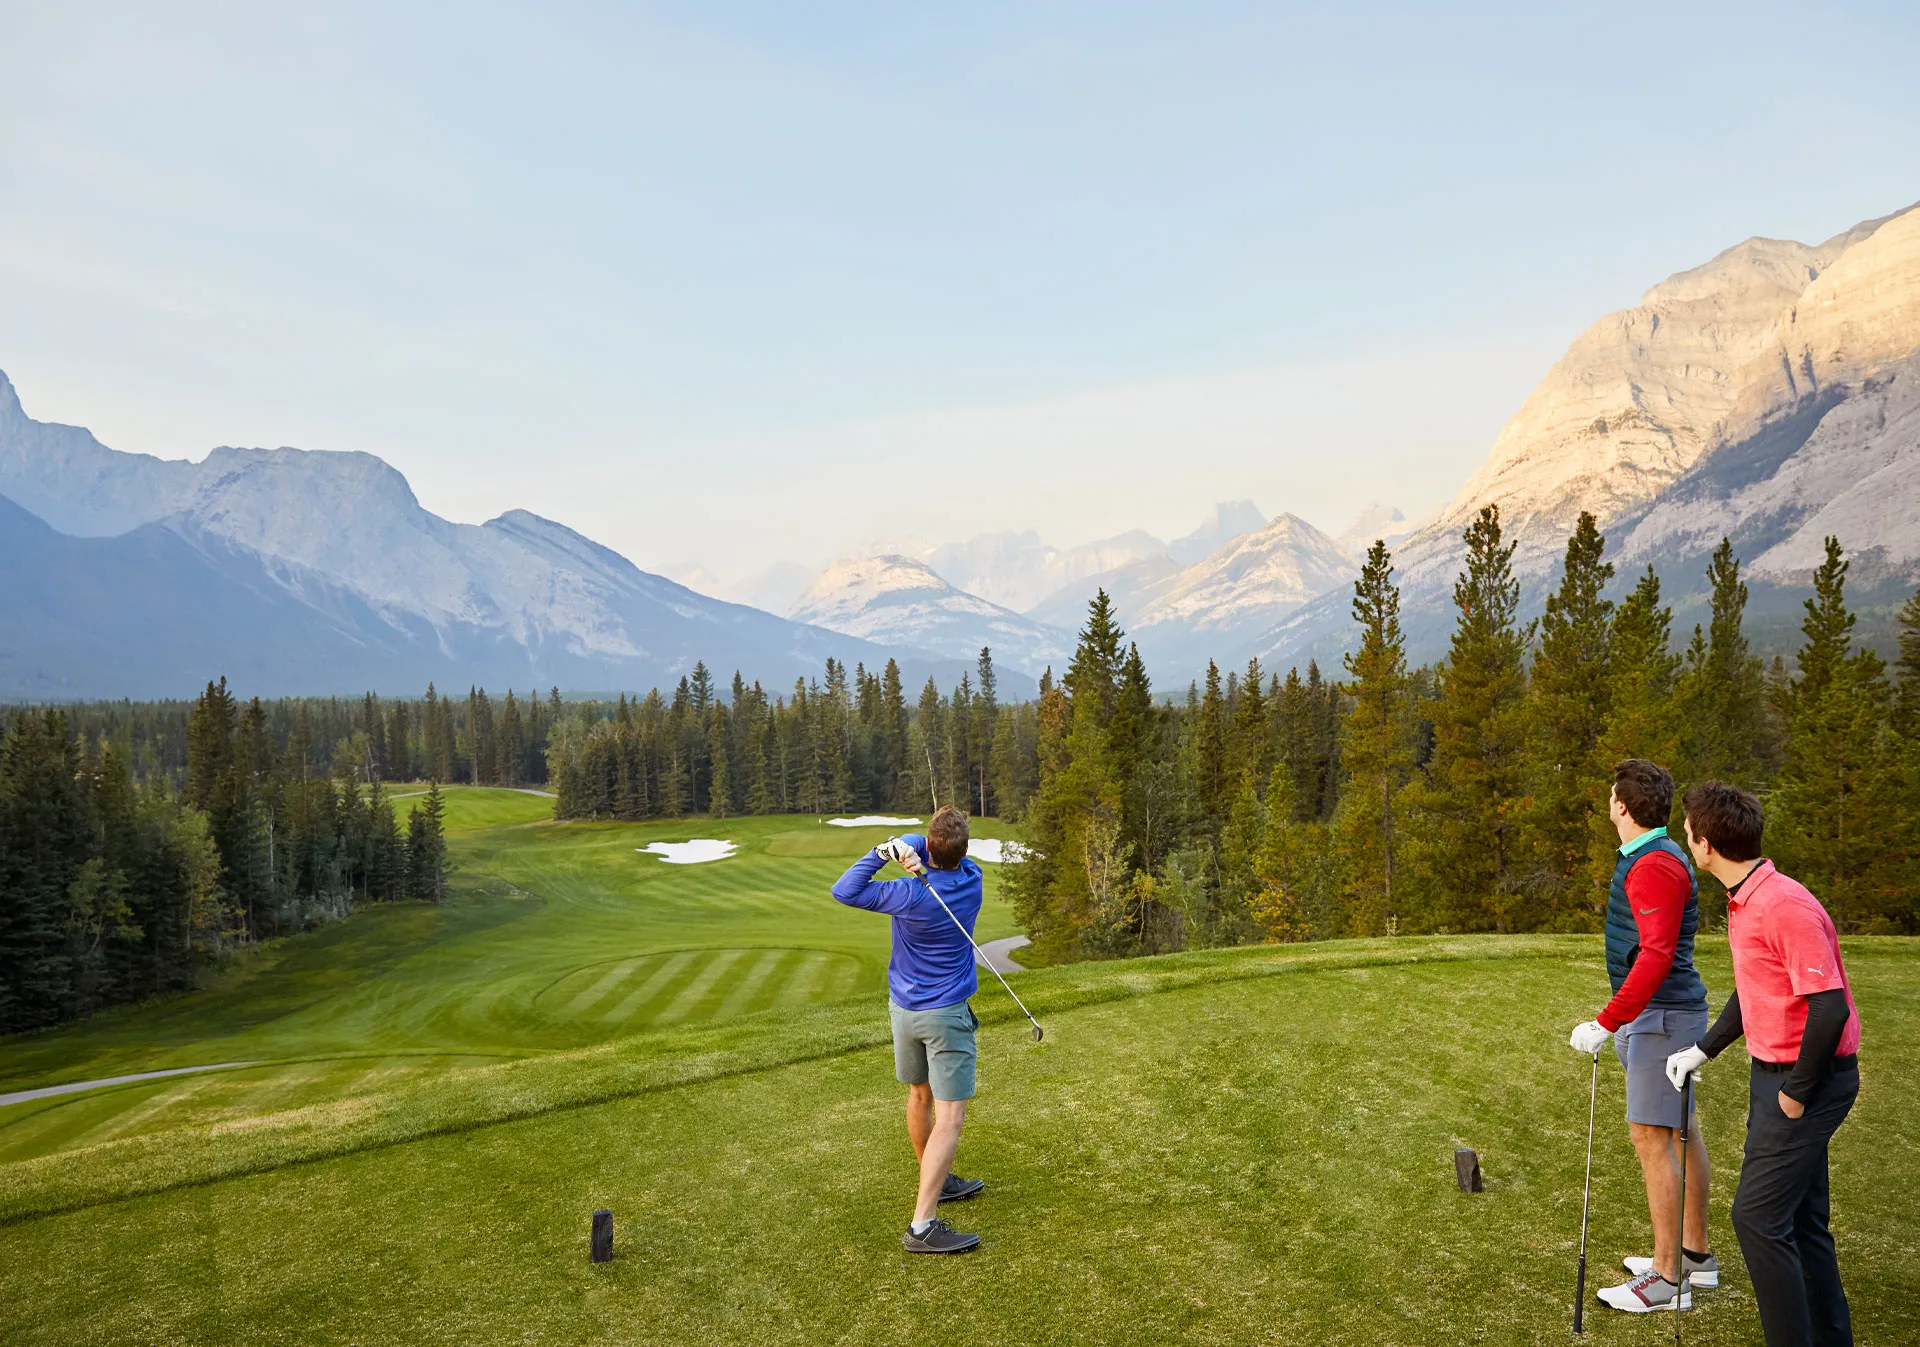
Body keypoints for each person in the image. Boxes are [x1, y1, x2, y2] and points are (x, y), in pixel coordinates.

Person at [1666, 782, 1861, 1347]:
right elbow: (1757, 989)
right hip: (1774, 1074)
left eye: (1687, 833)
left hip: (1806, 1080)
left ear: (1704, 844)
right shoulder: (1748, 897)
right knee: (1802, 1221)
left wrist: (1797, 1092)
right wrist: (1704, 1047)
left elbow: (1830, 1008)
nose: (1687, 840)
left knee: (1757, 1219)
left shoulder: (1782, 905)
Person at [1566, 758, 1715, 1312]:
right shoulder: (1654, 856)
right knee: (1681, 1132)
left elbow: (1654, 956)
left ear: (1621, 807)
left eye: (1611, 796)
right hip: (1662, 1015)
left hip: (1662, 1017)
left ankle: (1667, 1278)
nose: (1609, 803)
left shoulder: (1653, 865)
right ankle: (1695, 1258)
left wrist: (1608, 1021)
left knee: (1653, 1139)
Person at [830, 806, 988, 1254]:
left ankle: (933, 1178)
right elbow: (942, 847)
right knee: (951, 1118)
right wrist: (914, 850)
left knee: (920, 1097)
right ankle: (922, 1225)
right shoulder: (971, 880)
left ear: (929, 847)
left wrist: (887, 851)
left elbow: (844, 890)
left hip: (904, 1013)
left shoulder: (907, 894)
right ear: (962, 850)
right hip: (946, 1017)